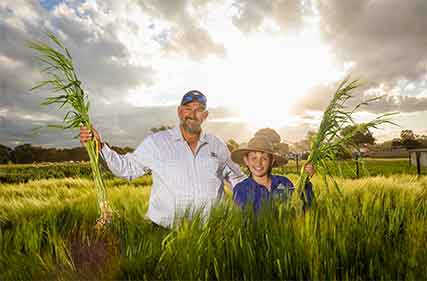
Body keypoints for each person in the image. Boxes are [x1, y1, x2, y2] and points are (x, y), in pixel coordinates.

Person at [80, 90, 246, 228]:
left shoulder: (216, 145)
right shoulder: (157, 143)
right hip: (166, 234)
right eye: (188, 108)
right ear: (180, 112)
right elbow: (126, 168)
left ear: (205, 115)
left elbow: (237, 179)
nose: (193, 114)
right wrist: (100, 146)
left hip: (213, 233)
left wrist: (264, 189)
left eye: (199, 109)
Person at [231, 136, 315, 212]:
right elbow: (242, 223)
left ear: (272, 161)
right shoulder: (241, 189)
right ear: (246, 160)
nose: (258, 163)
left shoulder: (284, 182)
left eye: (264, 158)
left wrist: (305, 182)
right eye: (254, 158)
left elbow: (304, 209)